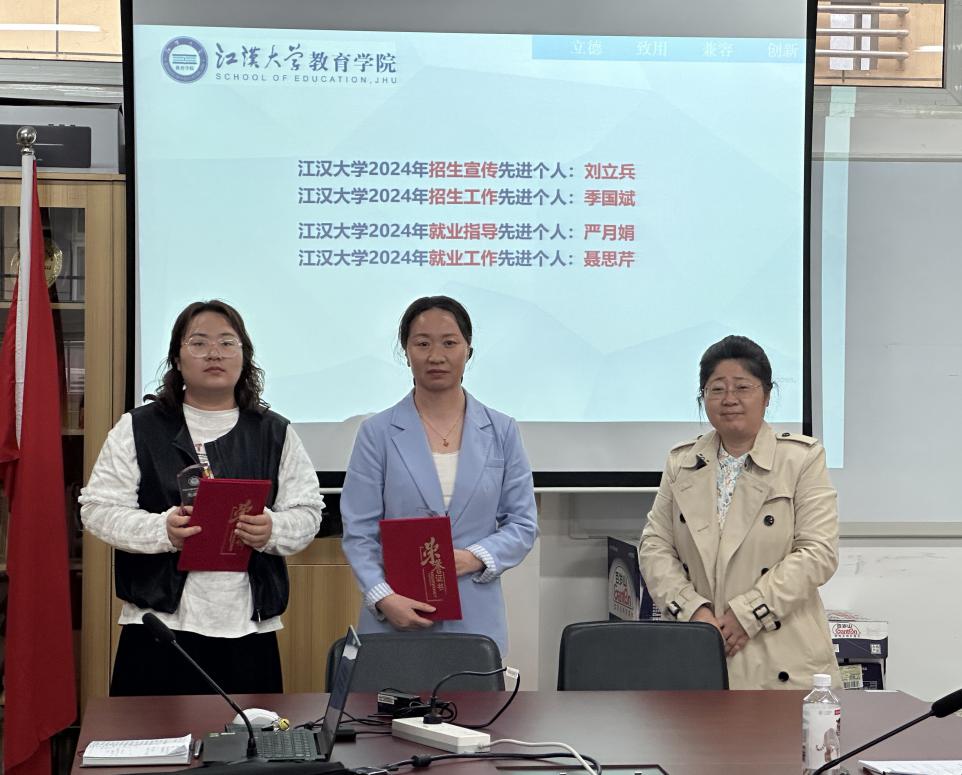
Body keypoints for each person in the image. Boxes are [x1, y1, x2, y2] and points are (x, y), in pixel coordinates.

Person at [80, 300, 322, 696]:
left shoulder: (274, 431)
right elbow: (97, 509)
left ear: (244, 356)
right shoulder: (138, 427)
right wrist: (162, 530)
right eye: (199, 343)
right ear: (177, 358)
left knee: (247, 736)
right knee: (151, 736)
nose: (214, 353)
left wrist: (272, 529)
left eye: (227, 343)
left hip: (247, 627)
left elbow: (308, 512)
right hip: (158, 627)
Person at [638, 335, 841, 690]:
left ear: (767, 395)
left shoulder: (801, 458)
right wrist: (694, 611)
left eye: (742, 387)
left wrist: (748, 614)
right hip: (701, 646)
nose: (729, 399)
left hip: (783, 656)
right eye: (716, 389)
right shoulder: (682, 462)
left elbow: (818, 552)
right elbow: (655, 547)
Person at [340, 296, 537, 656]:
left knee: (474, 695)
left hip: (476, 618)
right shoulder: (376, 433)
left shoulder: (502, 430)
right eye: (422, 343)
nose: (436, 356)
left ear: (468, 350)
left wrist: (474, 557)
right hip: (394, 617)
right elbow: (359, 532)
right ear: (406, 352)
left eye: (449, 342)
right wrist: (383, 597)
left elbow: (522, 524)